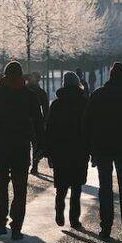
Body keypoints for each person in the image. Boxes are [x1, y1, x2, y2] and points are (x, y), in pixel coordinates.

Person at [0, 61, 45, 240]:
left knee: (1, 185)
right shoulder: (29, 95)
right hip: (21, 147)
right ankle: (16, 227)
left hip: (1, 146)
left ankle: (0, 223)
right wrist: (41, 145)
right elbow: (38, 122)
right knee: (20, 187)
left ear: (5, 76)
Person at [84, 62, 122, 238]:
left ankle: (106, 225)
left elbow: (87, 122)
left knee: (105, 187)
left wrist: (90, 147)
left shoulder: (98, 95)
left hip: (102, 147)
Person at [43, 72, 90, 229]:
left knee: (61, 187)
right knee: (76, 187)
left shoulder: (56, 104)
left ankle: (59, 211)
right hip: (79, 150)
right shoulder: (84, 103)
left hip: (60, 150)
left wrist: (48, 152)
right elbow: (89, 128)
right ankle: (74, 219)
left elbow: (49, 129)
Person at [27, 73, 51, 175]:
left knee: (34, 144)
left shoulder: (40, 92)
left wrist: (45, 121)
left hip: (35, 122)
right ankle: (31, 164)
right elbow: (46, 109)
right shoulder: (40, 92)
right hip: (32, 121)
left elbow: (46, 109)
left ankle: (34, 164)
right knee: (32, 144)